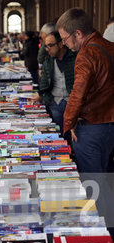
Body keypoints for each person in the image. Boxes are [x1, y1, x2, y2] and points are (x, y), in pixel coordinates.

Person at [56, 8, 114, 173]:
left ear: (78, 34)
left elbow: (77, 94)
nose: (64, 43)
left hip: (91, 128)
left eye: (65, 38)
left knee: (93, 182)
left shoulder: (86, 54)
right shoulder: (110, 46)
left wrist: (69, 122)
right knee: (106, 177)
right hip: (110, 125)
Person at [33, 31, 77, 138]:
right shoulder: (48, 62)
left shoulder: (75, 58)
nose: (47, 49)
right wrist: (49, 100)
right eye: (46, 46)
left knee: (74, 135)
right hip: (55, 104)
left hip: (72, 104)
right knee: (58, 136)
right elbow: (43, 85)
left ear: (61, 44)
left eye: (50, 45)